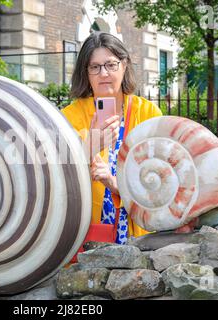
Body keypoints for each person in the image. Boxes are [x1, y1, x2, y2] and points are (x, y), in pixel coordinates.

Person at [62, 32, 162, 244]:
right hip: (88, 234)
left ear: (124, 65)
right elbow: (56, 178)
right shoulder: (69, 117)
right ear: (86, 73)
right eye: (95, 67)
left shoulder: (148, 113)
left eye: (111, 64)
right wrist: (90, 149)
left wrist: (115, 184)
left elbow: (161, 177)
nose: (103, 73)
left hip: (140, 234)